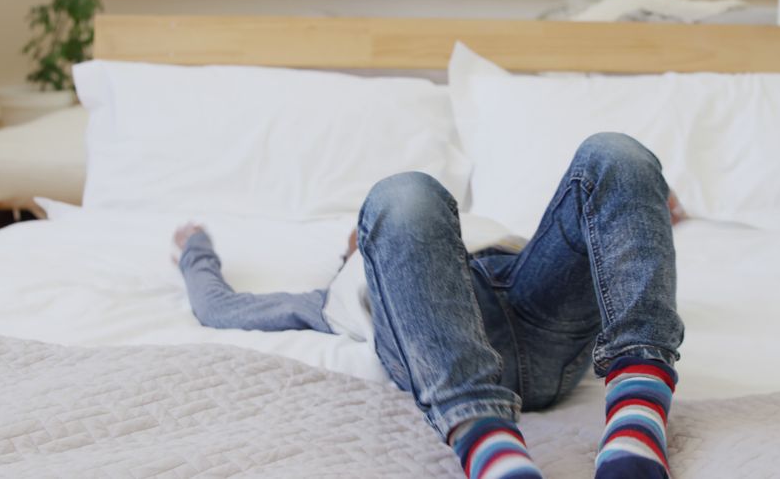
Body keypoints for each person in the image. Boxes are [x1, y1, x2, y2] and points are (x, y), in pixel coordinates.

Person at [174, 132, 685, 479]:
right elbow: (221, 308)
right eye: (366, 238)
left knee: (616, 153)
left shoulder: (494, 232)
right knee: (402, 194)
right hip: (441, 346)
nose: (361, 238)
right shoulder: (332, 295)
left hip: (536, 307)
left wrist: (642, 192)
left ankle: (637, 424)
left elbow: (621, 252)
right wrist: (194, 247)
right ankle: (494, 451)